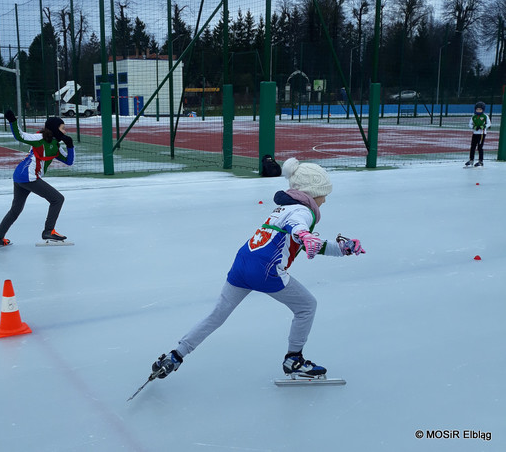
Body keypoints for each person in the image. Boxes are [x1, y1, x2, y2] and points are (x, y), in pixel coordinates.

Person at [151, 158, 365, 380]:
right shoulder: (303, 211)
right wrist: (304, 234)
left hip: (242, 264)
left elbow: (300, 237)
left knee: (217, 315)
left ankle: (175, 355)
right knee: (307, 306)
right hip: (266, 271)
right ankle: (294, 359)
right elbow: (298, 228)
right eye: (324, 194)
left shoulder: (284, 208)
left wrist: (341, 249)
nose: (325, 200)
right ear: (311, 193)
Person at [0, 110, 75, 247]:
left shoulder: (56, 146)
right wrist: (13, 121)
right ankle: (48, 231)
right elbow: (20, 136)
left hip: (20, 176)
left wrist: (70, 146)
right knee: (57, 199)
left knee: (15, 210)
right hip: (28, 176)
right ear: (54, 129)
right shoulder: (39, 138)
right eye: (62, 128)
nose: (65, 131)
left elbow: (69, 161)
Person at [465, 101, 491, 167]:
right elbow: (470, 124)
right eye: (477, 109)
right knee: (472, 147)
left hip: (482, 134)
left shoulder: (485, 116)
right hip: (475, 133)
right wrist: (474, 127)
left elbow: (489, 124)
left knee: (480, 147)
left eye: (480, 109)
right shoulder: (474, 116)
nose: (478, 110)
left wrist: (483, 126)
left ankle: (480, 161)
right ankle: (471, 160)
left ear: (483, 110)